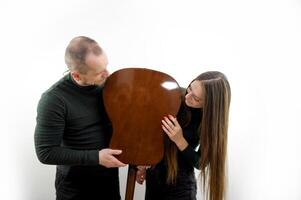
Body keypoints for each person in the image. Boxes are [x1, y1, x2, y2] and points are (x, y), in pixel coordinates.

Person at [34, 36, 126, 200]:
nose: (108, 74)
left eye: (106, 66)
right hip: (75, 189)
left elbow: (126, 121)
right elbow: (45, 152)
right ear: (76, 76)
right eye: (99, 72)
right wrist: (96, 157)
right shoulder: (54, 100)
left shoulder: (109, 85)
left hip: (108, 185)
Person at [136, 71, 231, 200]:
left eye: (196, 98)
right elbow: (149, 131)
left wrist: (179, 140)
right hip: (154, 181)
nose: (187, 96)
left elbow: (200, 163)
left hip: (180, 189)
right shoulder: (174, 96)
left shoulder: (209, 122)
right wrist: (142, 162)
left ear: (209, 105)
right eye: (190, 88)